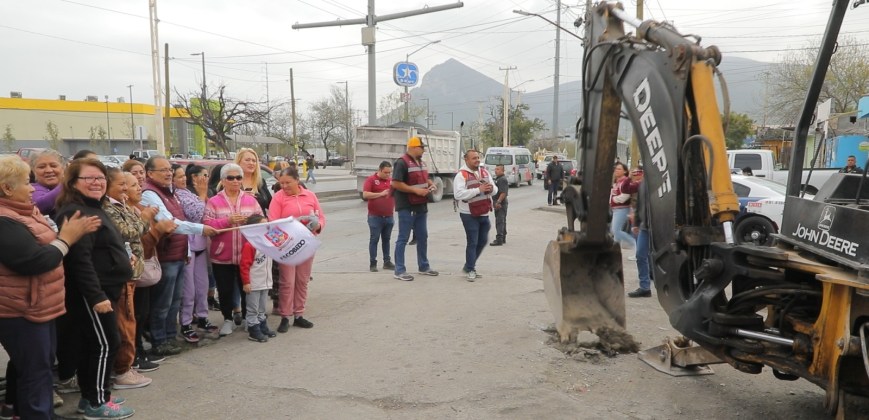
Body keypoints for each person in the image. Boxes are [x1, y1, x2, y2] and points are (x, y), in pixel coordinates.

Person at [0, 155, 99, 420]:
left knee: (36, 368)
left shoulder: (23, 211)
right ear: (8, 188)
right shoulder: (5, 220)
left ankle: (28, 413)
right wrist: (67, 238)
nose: (32, 188)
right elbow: (35, 261)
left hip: (40, 306)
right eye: (26, 182)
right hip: (22, 310)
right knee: (36, 372)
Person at [54, 158, 137, 419]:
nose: (96, 183)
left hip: (106, 289)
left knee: (93, 345)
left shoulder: (95, 208)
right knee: (105, 344)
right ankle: (97, 402)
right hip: (92, 294)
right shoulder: (76, 212)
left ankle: (92, 395)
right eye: (89, 178)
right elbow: (80, 261)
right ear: (73, 182)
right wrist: (96, 296)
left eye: (100, 178)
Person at [140, 156, 218, 357]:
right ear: (150, 174)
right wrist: (201, 229)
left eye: (169, 170)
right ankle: (159, 341)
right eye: (163, 170)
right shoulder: (150, 194)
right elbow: (170, 222)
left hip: (179, 253)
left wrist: (187, 251)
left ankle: (169, 337)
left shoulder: (171, 192)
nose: (168, 174)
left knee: (174, 301)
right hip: (166, 256)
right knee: (162, 303)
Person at [102, 167, 154, 390]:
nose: (126, 189)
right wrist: (144, 218)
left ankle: (127, 364)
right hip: (122, 274)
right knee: (124, 323)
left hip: (132, 272)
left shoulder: (120, 205)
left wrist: (140, 220)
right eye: (121, 184)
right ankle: (122, 369)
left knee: (130, 320)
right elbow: (130, 232)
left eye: (128, 184)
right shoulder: (108, 208)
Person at [204, 163, 264, 337]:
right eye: (231, 178)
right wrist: (227, 221)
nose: (236, 181)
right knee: (225, 290)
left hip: (246, 255)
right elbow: (207, 226)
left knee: (247, 288)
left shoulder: (250, 200)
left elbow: (261, 221)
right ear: (223, 180)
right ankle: (228, 319)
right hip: (222, 256)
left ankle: (247, 317)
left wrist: (250, 221)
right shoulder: (214, 201)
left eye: (238, 177)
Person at [121, 171, 173, 372]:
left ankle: (139, 350)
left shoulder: (139, 209)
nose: (139, 188)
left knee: (142, 314)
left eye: (137, 184)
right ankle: (132, 356)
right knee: (134, 314)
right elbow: (141, 243)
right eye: (133, 185)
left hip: (144, 267)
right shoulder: (129, 212)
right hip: (134, 270)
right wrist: (158, 229)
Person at [269, 167, 325, 332]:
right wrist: (285, 240)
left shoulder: (310, 195)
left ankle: (299, 314)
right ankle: (285, 315)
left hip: (307, 245)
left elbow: (321, 216)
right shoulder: (278, 198)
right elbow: (272, 222)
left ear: (297, 180)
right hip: (288, 247)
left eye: (288, 182)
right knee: (287, 281)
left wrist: (318, 225)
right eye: (281, 183)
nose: (284, 186)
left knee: (302, 280)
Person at [175, 165, 220, 343]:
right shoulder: (178, 195)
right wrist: (202, 195)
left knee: (202, 285)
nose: (182, 179)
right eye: (178, 176)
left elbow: (208, 214)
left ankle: (202, 317)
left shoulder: (190, 193)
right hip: (188, 247)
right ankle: (186, 322)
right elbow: (195, 215)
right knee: (189, 289)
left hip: (200, 245)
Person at [390, 137, 439, 281]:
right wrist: (415, 191)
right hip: (407, 206)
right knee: (403, 238)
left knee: (423, 237)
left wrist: (431, 183)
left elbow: (424, 178)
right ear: (413, 147)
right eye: (421, 147)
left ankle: (424, 266)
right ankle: (399, 270)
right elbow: (396, 183)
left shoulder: (421, 162)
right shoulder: (401, 162)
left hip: (421, 206)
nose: (423, 150)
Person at [453, 149, 497, 281]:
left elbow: (495, 190)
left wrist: (491, 189)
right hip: (468, 214)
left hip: (483, 212)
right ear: (466, 160)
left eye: (478, 157)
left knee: (483, 240)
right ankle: (471, 269)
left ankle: (468, 265)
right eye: (474, 158)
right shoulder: (461, 175)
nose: (477, 160)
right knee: (472, 241)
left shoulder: (484, 172)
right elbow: (458, 194)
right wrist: (478, 190)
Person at [239, 214, 278, 342]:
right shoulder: (250, 245)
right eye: (263, 224)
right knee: (253, 309)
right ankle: (253, 330)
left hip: (265, 281)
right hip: (254, 283)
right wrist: (246, 282)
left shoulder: (268, 242)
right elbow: (244, 265)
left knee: (262, 308)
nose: (266, 227)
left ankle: (262, 326)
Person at [362, 161, 395, 272]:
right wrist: (380, 194)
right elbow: (365, 194)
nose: (388, 175)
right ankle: (373, 263)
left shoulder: (391, 181)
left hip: (389, 216)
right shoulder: (371, 180)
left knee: (387, 239)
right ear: (380, 170)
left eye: (389, 173)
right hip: (375, 217)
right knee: (374, 239)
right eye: (386, 172)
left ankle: (387, 261)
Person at [629, 178, 653, 298]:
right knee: (640, 255)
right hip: (645, 226)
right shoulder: (643, 183)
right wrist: (637, 223)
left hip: (660, 225)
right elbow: (639, 204)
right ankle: (645, 287)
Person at [610, 162, 639, 250]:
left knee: (615, 230)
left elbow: (625, 195)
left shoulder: (625, 181)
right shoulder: (617, 182)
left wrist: (613, 200)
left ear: (625, 171)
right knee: (616, 232)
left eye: (619, 169)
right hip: (616, 209)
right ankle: (615, 250)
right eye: (616, 169)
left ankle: (635, 244)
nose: (616, 170)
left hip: (622, 209)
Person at [235, 148, 272, 214]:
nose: (251, 163)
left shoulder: (260, 182)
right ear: (239, 162)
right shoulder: (230, 180)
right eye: (247, 160)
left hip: (260, 222)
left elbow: (271, 205)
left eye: (254, 161)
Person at [30, 148, 65, 218]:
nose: (48, 170)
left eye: (53, 166)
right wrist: (67, 184)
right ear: (33, 170)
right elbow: (40, 204)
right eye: (41, 167)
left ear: (63, 168)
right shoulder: (32, 189)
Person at [489, 164, 509, 246]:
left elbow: (503, 193)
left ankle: (499, 239)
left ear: (502, 170)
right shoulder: (498, 179)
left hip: (501, 203)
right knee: (502, 221)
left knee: (500, 221)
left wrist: (498, 202)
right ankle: (503, 237)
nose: (495, 170)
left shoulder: (502, 180)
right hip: (499, 202)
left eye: (498, 169)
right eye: (495, 169)